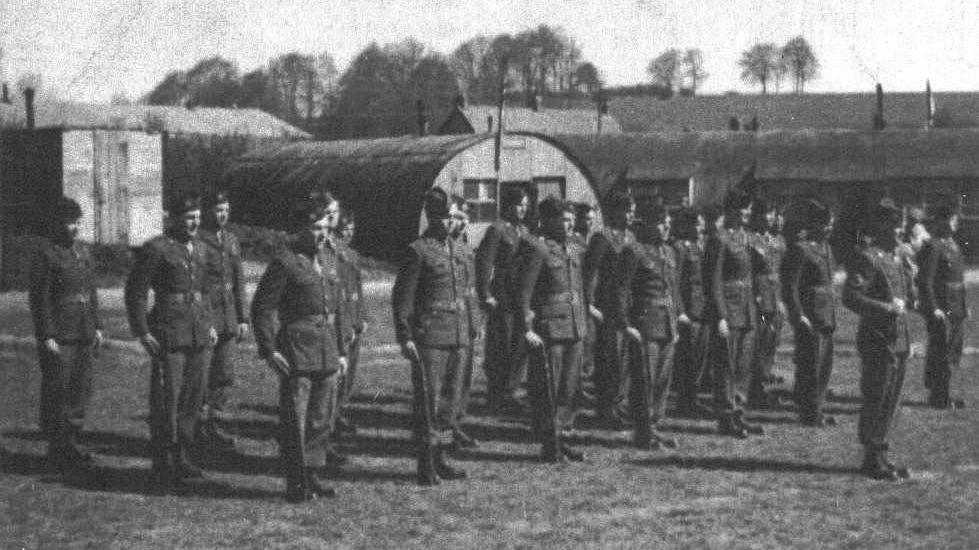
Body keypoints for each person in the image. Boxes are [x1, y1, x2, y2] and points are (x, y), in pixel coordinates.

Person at [251, 191, 347, 502]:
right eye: (316, 229)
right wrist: (268, 348)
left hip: (327, 349)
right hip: (296, 351)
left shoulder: (331, 259)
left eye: (326, 228)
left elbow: (338, 308)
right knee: (296, 418)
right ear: (302, 229)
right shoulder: (285, 262)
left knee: (321, 418)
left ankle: (313, 474)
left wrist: (342, 350)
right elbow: (263, 306)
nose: (322, 235)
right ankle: (296, 480)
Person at [125, 192, 218, 493]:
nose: (194, 223)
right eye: (188, 217)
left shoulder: (202, 249)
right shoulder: (158, 249)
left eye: (197, 218)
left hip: (198, 332)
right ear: (174, 218)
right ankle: (163, 461)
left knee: (192, 398)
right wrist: (142, 330)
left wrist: (211, 323)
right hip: (169, 333)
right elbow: (136, 291)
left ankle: (184, 456)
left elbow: (206, 289)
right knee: (168, 400)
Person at [392, 188, 476, 485]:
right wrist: (405, 335)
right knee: (429, 399)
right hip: (431, 336)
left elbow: (468, 293)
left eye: (454, 217)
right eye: (445, 218)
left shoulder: (462, 249)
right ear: (431, 216)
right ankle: (426, 463)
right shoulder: (419, 250)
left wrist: (471, 329)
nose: (451, 223)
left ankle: (442, 456)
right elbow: (404, 297)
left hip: (458, 334)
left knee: (450, 399)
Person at [29, 196, 104, 473]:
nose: (76, 228)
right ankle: (56, 447)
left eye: (79, 222)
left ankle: (71, 442)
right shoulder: (47, 254)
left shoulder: (83, 253)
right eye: (71, 222)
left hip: (83, 331)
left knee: (81, 389)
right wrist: (46, 334)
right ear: (58, 223)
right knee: (57, 390)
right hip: (60, 333)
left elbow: (91, 293)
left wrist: (98, 326)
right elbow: (40, 298)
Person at [843, 198, 915, 481]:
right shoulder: (868, 257)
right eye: (896, 228)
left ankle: (882, 452)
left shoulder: (895, 258)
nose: (901, 233)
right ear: (882, 226)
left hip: (896, 340)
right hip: (877, 340)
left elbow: (905, 301)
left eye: (902, 228)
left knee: (892, 400)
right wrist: (885, 308)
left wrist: (907, 342)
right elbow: (851, 297)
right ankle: (871, 457)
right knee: (877, 397)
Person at [515, 196, 587, 463]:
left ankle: (563, 436)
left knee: (569, 387)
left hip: (574, 326)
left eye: (571, 220)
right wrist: (527, 328)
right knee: (549, 389)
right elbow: (524, 293)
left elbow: (580, 290)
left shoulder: (574, 249)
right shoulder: (539, 249)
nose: (570, 225)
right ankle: (549, 442)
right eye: (564, 220)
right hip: (551, 328)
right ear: (551, 221)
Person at [614, 211, 682, 449]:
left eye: (668, 224)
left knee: (662, 380)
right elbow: (621, 289)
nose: (667, 228)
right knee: (645, 379)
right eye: (663, 223)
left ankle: (655, 426)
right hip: (645, 323)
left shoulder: (669, 252)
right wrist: (625, 324)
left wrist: (678, 318)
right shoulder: (634, 251)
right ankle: (643, 431)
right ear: (650, 225)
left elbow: (674, 288)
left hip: (668, 323)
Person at [708, 187, 764, 438]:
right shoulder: (718, 239)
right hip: (729, 311)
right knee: (726, 367)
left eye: (748, 212)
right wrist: (720, 315)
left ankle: (739, 413)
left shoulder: (748, 238)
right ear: (730, 211)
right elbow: (714, 281)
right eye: (742, 211)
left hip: (748, 310)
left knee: (743, 367)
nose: (745, 216)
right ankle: (726, 416)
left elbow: (757, 272)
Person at [198, 190, 248, 453]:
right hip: (208, 317)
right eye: (218, 210)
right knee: (204, 375)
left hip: (228, 318)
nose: (223, 215)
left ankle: (215, 425)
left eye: (226, 210)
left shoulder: (231, 239)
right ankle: (199, 427)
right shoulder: (199, 241)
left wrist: (243, 317)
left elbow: (239, 280)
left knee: (225, 375)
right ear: (208, 211)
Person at [781, 199, 838, 427]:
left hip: (826, 315)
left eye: (830, 224)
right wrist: (798, 315)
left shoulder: (827, 249)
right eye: (825, 225)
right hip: (810, 315)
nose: (829, 228)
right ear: (815, 224)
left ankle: (818, 407)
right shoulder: (800, 249)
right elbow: (790, 286)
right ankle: (810, 412)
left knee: (824, 364)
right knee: (810, 366)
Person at [475, 187, 531, 415]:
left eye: (526, 205)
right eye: (519, 204)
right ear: (508, 206)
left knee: (519, 346)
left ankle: (514, 391)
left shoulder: (525, 231)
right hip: (503, 297)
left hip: (521, 298)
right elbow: (484, 264)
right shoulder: (497, 230)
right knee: (501, 348)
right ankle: (497, 396)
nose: (523, 209)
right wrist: (485, 294)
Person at [585, 191, 636, 428]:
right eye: (626, 210)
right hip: (606, 306)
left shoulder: (631, 238)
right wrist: (590, 304)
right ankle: (605, 409)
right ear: (614, 212)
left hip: (626, 305)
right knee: (608, 359)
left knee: (624, 359)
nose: (630, 215)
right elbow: (590, 273)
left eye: (632, 210)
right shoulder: (601, 238)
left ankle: (620, 404)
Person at [917, 200, 967, 409]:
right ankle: (939, 398)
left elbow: (959, 280)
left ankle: (945, 393)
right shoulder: (933, 245)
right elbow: (925, 281)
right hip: (941, 308)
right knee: (941, 354)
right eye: (954, 220)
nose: (956, 224)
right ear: (944, 220)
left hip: (956, 308)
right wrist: (933, 307)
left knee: (953, 352)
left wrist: (965, 306)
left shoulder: (953, 245)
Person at [670, 207, 712, 418]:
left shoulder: (700, 247)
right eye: (696, 224)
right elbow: (674, 284)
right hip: (689, 313)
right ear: (685, 225)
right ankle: (684, 402)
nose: (701, 227)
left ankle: (692, 399)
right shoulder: (679, 248)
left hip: (703, 311)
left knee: (699, 359)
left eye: (702, 224)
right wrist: (680, 311)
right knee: (687, 360)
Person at [746, 200, 786, 409]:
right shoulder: (750, 241)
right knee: (758, 345)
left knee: (771, 344)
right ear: (756, 217)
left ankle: (763, 386)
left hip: (776, 302)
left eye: (772, 214)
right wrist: (756, 298)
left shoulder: (777, 241)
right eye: (765, 214)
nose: (769, 218)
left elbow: (780, 272)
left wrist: (781, 300)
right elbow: (749, 273)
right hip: (760, 302)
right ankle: (753, 391)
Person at [448, 196, 480, 449]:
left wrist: (475, 321)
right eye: (459, 216)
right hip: (451, 321)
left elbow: (472, 287)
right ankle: (446, 427)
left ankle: (457, 422)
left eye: (465, 217)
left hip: (467, 318)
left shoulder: (465, 244)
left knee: (465, 377)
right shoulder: (444, 246)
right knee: (451, 380)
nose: (464, 222)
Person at [333, 209, 368, 438]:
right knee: (338, 371)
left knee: (350, 372)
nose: (348, 234)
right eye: (344, 230)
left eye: (351, 230)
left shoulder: (353, 256)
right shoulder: (332, 254)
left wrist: (361, 318)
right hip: (341, 318)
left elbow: (357, 291)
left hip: (354, 317)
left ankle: (338, 411)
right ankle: (331, 415)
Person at [572, 202, 599, 407]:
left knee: (588, 345)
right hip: (579, 301)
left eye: (592, 219)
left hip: (588, 299)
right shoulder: (573, 242)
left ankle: (578, 387)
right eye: (587, 219)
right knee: (580, 346)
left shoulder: (586, 242)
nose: (590, 223)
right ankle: (575, 389)